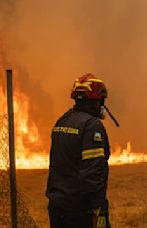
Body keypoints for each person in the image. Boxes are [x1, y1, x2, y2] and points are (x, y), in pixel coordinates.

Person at [46, 73, 111, 228]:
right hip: (81, 210)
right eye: (102, 101)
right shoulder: (92, 126)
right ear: (96, 100)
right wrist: (99, 208)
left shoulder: (62, 121)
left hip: (57, 206)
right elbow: (92, 172)